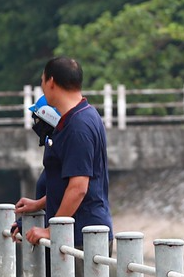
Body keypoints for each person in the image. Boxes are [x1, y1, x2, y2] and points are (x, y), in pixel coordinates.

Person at [12, 55, 112, 248]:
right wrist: (39, 204)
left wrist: (51, 230)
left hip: (84, 236)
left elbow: (78, 188)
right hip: (77, 233)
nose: (42, 86)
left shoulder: (78, 126)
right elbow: (67, 183)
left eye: (42, 80)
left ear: (51, 82)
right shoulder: (78, 117)